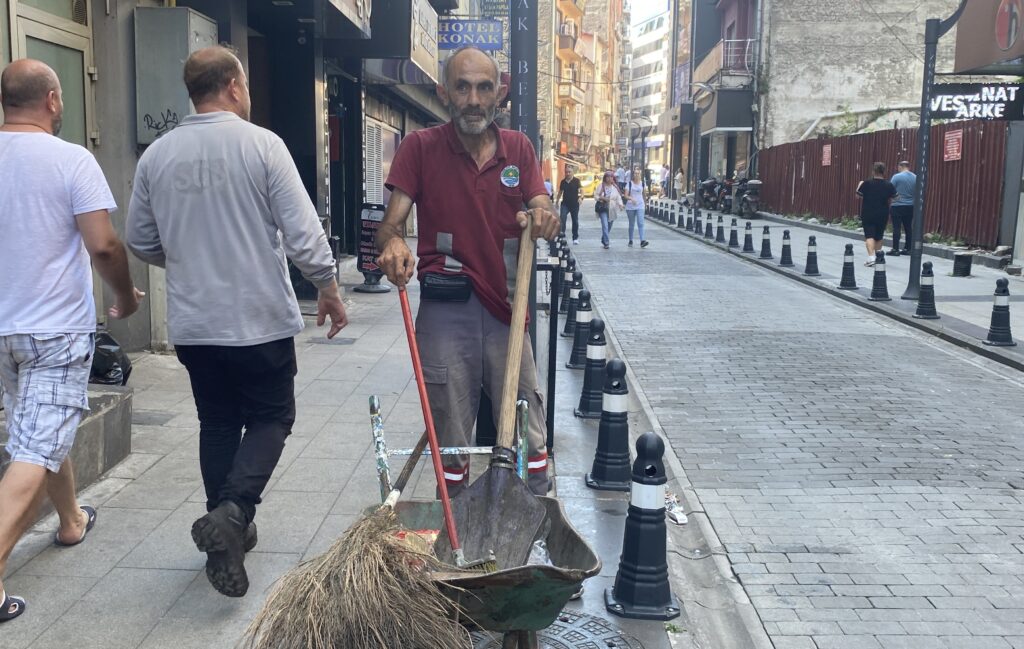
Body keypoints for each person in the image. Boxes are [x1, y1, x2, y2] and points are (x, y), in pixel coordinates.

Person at [125, 46, 348, 598]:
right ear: (233, 85)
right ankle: (233, 512)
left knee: (219, 422)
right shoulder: (263, 145)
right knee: (273, 416)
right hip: (258, 318)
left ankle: (227, 529)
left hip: (195, 323)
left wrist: (187, 260)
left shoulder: (157, 156)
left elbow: (140, 239)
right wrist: (328, 286)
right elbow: (302, 232)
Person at [375, 46, 559, 497]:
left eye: (483, 88)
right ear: (444, 93)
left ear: (499, 93)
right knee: (451, 434)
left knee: (528, 427)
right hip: (447, 306)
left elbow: (541, 204)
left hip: (506, 309)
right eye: (462, 87)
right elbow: (390, 226)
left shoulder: (519, 149)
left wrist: (543, 216)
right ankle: (454, 520)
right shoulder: (420, 148)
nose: (474, 100)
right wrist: (394, 243)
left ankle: (534, 517)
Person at [0, 59, 144, 622]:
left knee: (35, 426)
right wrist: (126, 296)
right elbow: (103, 245)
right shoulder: (71, 159)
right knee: (35, 447)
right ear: (53, 100)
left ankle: (70, 520)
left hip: (4, 332)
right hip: (55, 331)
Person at [856, 162, 897, 266]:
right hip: (882, 213)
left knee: (869, 235)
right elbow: (896, 197)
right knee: (879, 236)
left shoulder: (867, 183)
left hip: (868, 212)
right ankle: (878, 257)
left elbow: (858, 195)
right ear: (884, 172)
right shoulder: (888, 184)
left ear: (873, 171)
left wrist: (859, 185)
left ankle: (871, 257)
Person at [889, 161, 916, 256]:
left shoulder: (896, 177)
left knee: (896, 227)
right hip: (910, 205)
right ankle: (908, 248)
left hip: (897, 205)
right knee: (908, 227)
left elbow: (890, 189)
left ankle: (895, 249)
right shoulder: (915, 177)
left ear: (900, 166)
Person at [594, 171, 624, 250]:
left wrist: (620, 205)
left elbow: (618, 197)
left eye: (611, 177)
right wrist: (602, 198)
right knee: (605, 225)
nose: (609, 178)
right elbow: (596, 195)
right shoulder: (601, 186)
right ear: (605, 178)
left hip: (612, 209)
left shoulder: (615, 187)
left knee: (609, 226)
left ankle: (603, 238)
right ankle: (606, 242)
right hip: (603, 208)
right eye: (608, 177)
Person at [555, 167, 582, 245]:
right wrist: (557, 201)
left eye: (569, 172)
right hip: (565, 204)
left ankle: (575, 238)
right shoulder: (563, 182)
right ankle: (562, 235)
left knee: (575, 221)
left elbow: (581, 190)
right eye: (566, 172)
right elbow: (560, 192)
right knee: (562, 219)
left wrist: (581, 197)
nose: (568, 173)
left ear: (572, 172)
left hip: (574, 204)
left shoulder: (577, 181)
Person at [624, 169, 649, 248]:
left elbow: (644, 195)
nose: (637, 175)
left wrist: (645, 204)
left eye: (638, 173)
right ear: (633, 175)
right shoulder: (629, 184)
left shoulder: (642, 184)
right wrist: (631, 198)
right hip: (630, 206)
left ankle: (642, 241)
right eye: (635, 173)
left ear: (640, 175)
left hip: (640, 205)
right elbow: (625, 195)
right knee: (631, 224)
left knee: (640, 223)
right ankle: (630, 240)